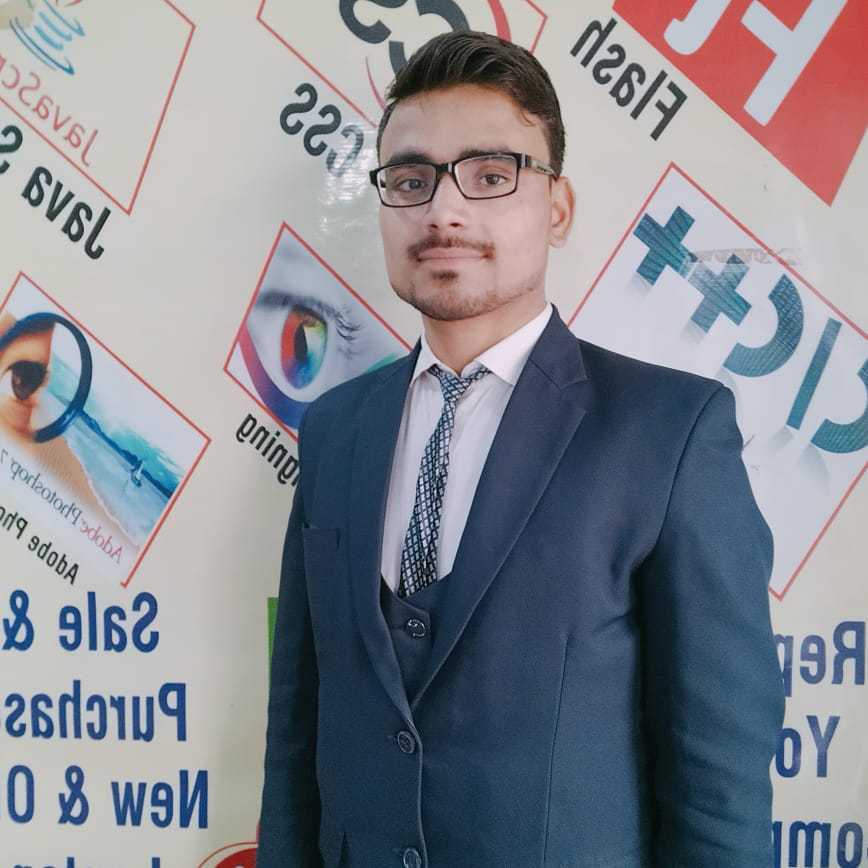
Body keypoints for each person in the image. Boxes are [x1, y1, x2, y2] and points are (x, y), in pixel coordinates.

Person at [257, 31, 784, 868]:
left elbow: (718, 780)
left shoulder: (671, 432)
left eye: (491, 174)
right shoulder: (333, 429)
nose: (444, 211)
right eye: (411, 180)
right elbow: (298, 731)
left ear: (557, 208)